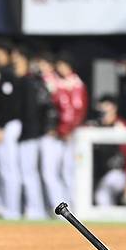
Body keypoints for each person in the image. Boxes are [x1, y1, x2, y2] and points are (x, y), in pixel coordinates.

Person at [40, 51, 87, 209]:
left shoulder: (76, 84)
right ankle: (61, 208)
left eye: (63, 65)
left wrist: (67, 129)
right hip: (57, 133)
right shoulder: (55, 82)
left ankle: (74, 208)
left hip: (71, 134)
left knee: (69, 172)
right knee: (52, 172)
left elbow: (78, 111)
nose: (60, 68)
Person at [0, 39, 23, 219]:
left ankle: (13, 209)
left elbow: (10, 105)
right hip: (1, 125)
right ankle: (4, 207)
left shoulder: (8, 73)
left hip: (8, 125)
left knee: (9, 168)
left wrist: (0, 126)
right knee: (1, 168)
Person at [12, 45, 48, 219]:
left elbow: (31, 111)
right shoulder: (26, 81)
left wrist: (26, 132)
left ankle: (36, 210)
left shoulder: (29, 81)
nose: (15, 65)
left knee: (29, 173)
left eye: (18, 61)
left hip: (29, 133)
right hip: (28, 133)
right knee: (27, 173)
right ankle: (33, 208)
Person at [93, 95, 126, 206]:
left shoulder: (121, 126)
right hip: (101, 174)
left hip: (120, 173)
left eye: (106, 111)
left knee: (102, 195)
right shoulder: (96, 126)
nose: (103, 114)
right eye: (101, 111)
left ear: (114, 109)